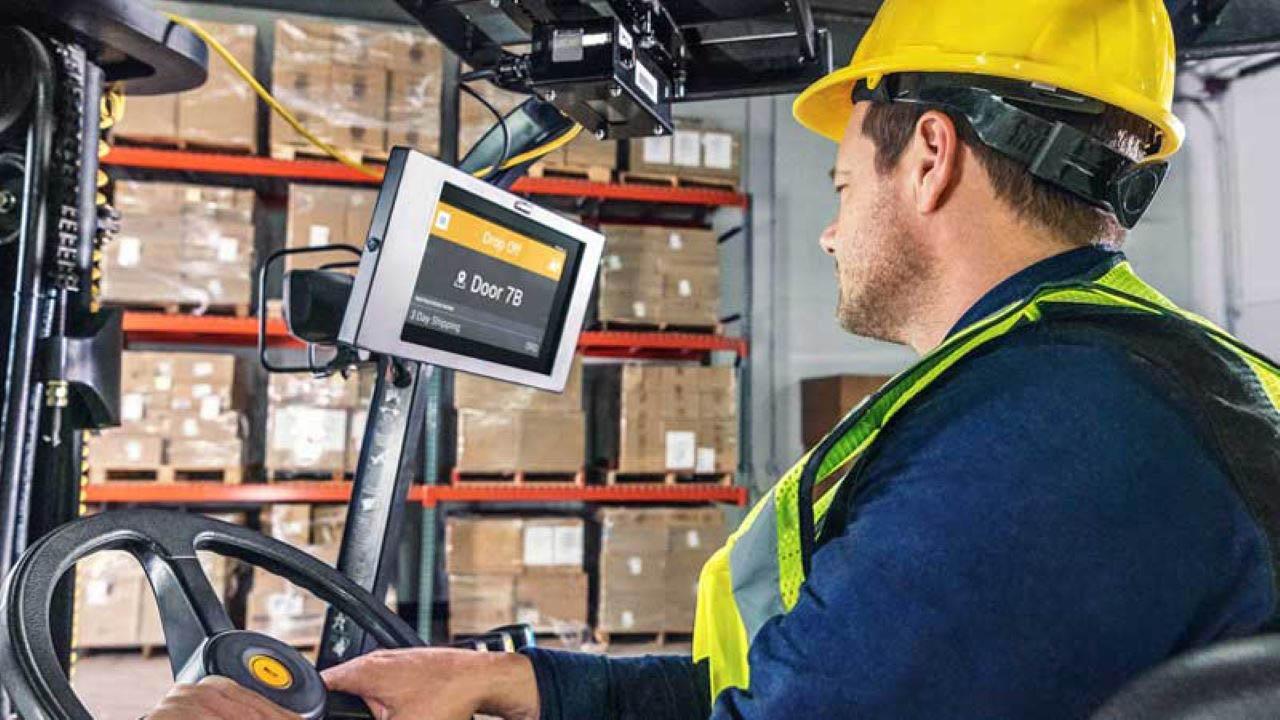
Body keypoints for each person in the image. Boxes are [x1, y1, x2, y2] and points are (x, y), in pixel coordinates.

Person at [148, 0, 1280, 718]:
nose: (831, 233)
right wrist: (532, 683)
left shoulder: (1048, 441)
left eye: (841, 189)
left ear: (926, 157)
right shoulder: (1129, 382)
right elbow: (828, 684)